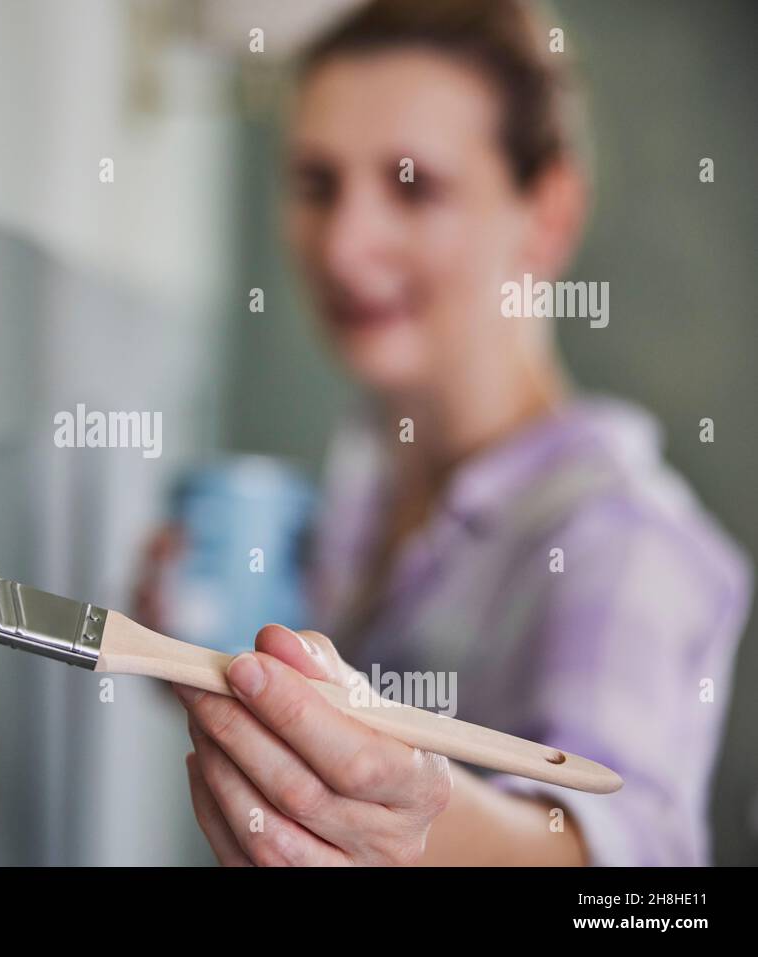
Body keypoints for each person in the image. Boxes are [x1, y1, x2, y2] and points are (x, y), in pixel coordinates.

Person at [137, 0, 752, 865]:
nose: (346, 245)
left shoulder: (624, 539)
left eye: (413, 184)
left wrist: (416, 827)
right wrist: (231, 680)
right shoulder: (366, 474)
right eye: (318, 183)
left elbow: (637, 876)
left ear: (548, 213)